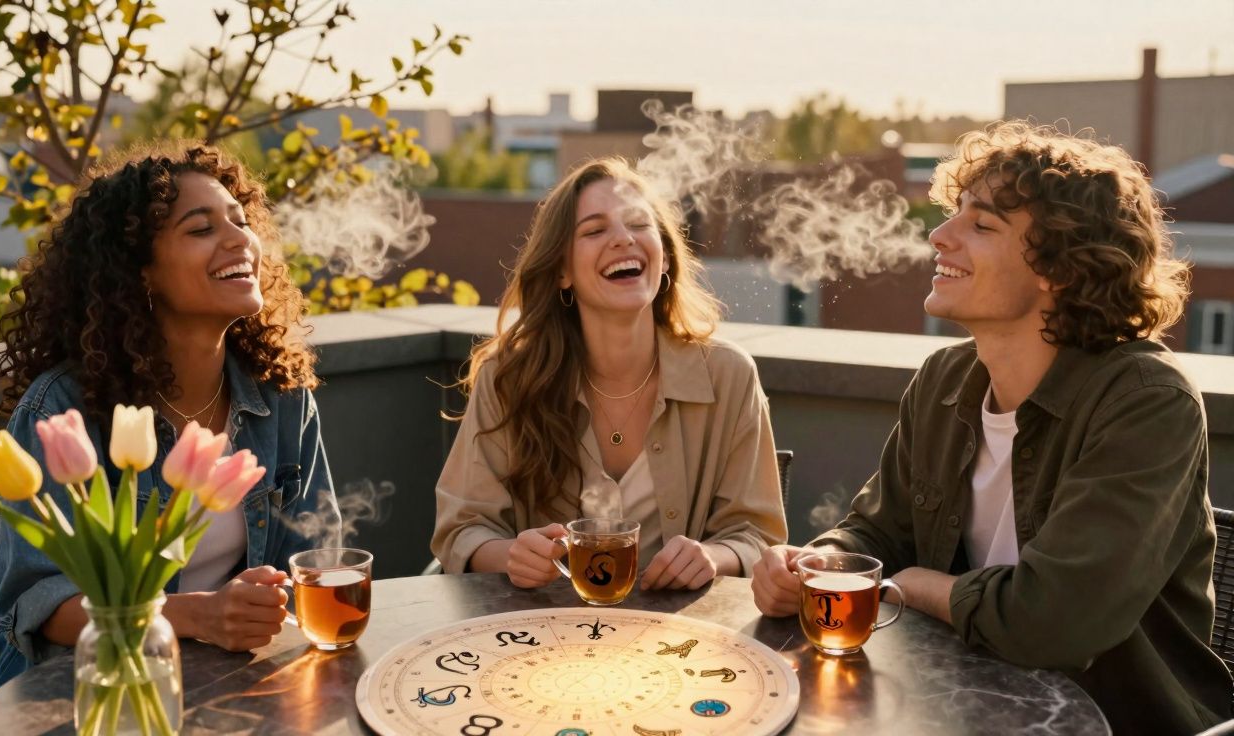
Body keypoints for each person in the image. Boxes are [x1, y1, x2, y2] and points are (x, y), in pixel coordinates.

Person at [751, 121, 1231, 734]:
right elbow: (876, 533)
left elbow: (1056, 621)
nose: (939, 235)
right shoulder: (944, 381)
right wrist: (813, 566)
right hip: (957, 710)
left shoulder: (1145, 404)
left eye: (981, 226)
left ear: (1058, 268)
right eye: (956, 214)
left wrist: (919, 586)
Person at [0, 141, 340, 694]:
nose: (239, 239)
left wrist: (266, 599)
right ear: (140, 273)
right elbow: (39, 604)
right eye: (201, 229)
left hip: (225, 687)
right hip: (78, 696)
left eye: (241, 221)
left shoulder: (281, 396)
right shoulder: (64, 408)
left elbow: (317, 556)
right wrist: (196, 615)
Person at [432, 158, 786, 590]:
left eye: (639, 224)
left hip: (683, 640)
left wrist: (712, 556)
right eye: (595, 230)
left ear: (666, 257)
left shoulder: (729, 376)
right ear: (561, 270)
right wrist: (514, 556)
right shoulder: (507, 379)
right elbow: (462, 530)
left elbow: (759, 536)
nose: (623, 239)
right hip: (546, 638)